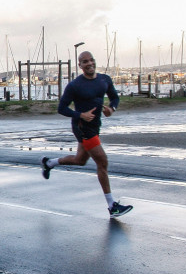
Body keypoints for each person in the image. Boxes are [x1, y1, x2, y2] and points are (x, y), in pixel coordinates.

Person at [41, 50, 133, 219]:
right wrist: (80, 115)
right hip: (82, 127)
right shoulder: (75, 85)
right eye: (85, 62)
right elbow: (62, 108)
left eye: (91, 60)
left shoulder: (104, 79)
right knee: (102, 161)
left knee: (80, 160)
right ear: (80, 65)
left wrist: (111, 109)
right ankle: (112, 206)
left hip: (96, 125)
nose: (89, 63)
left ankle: (49, 163)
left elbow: (115, 98)